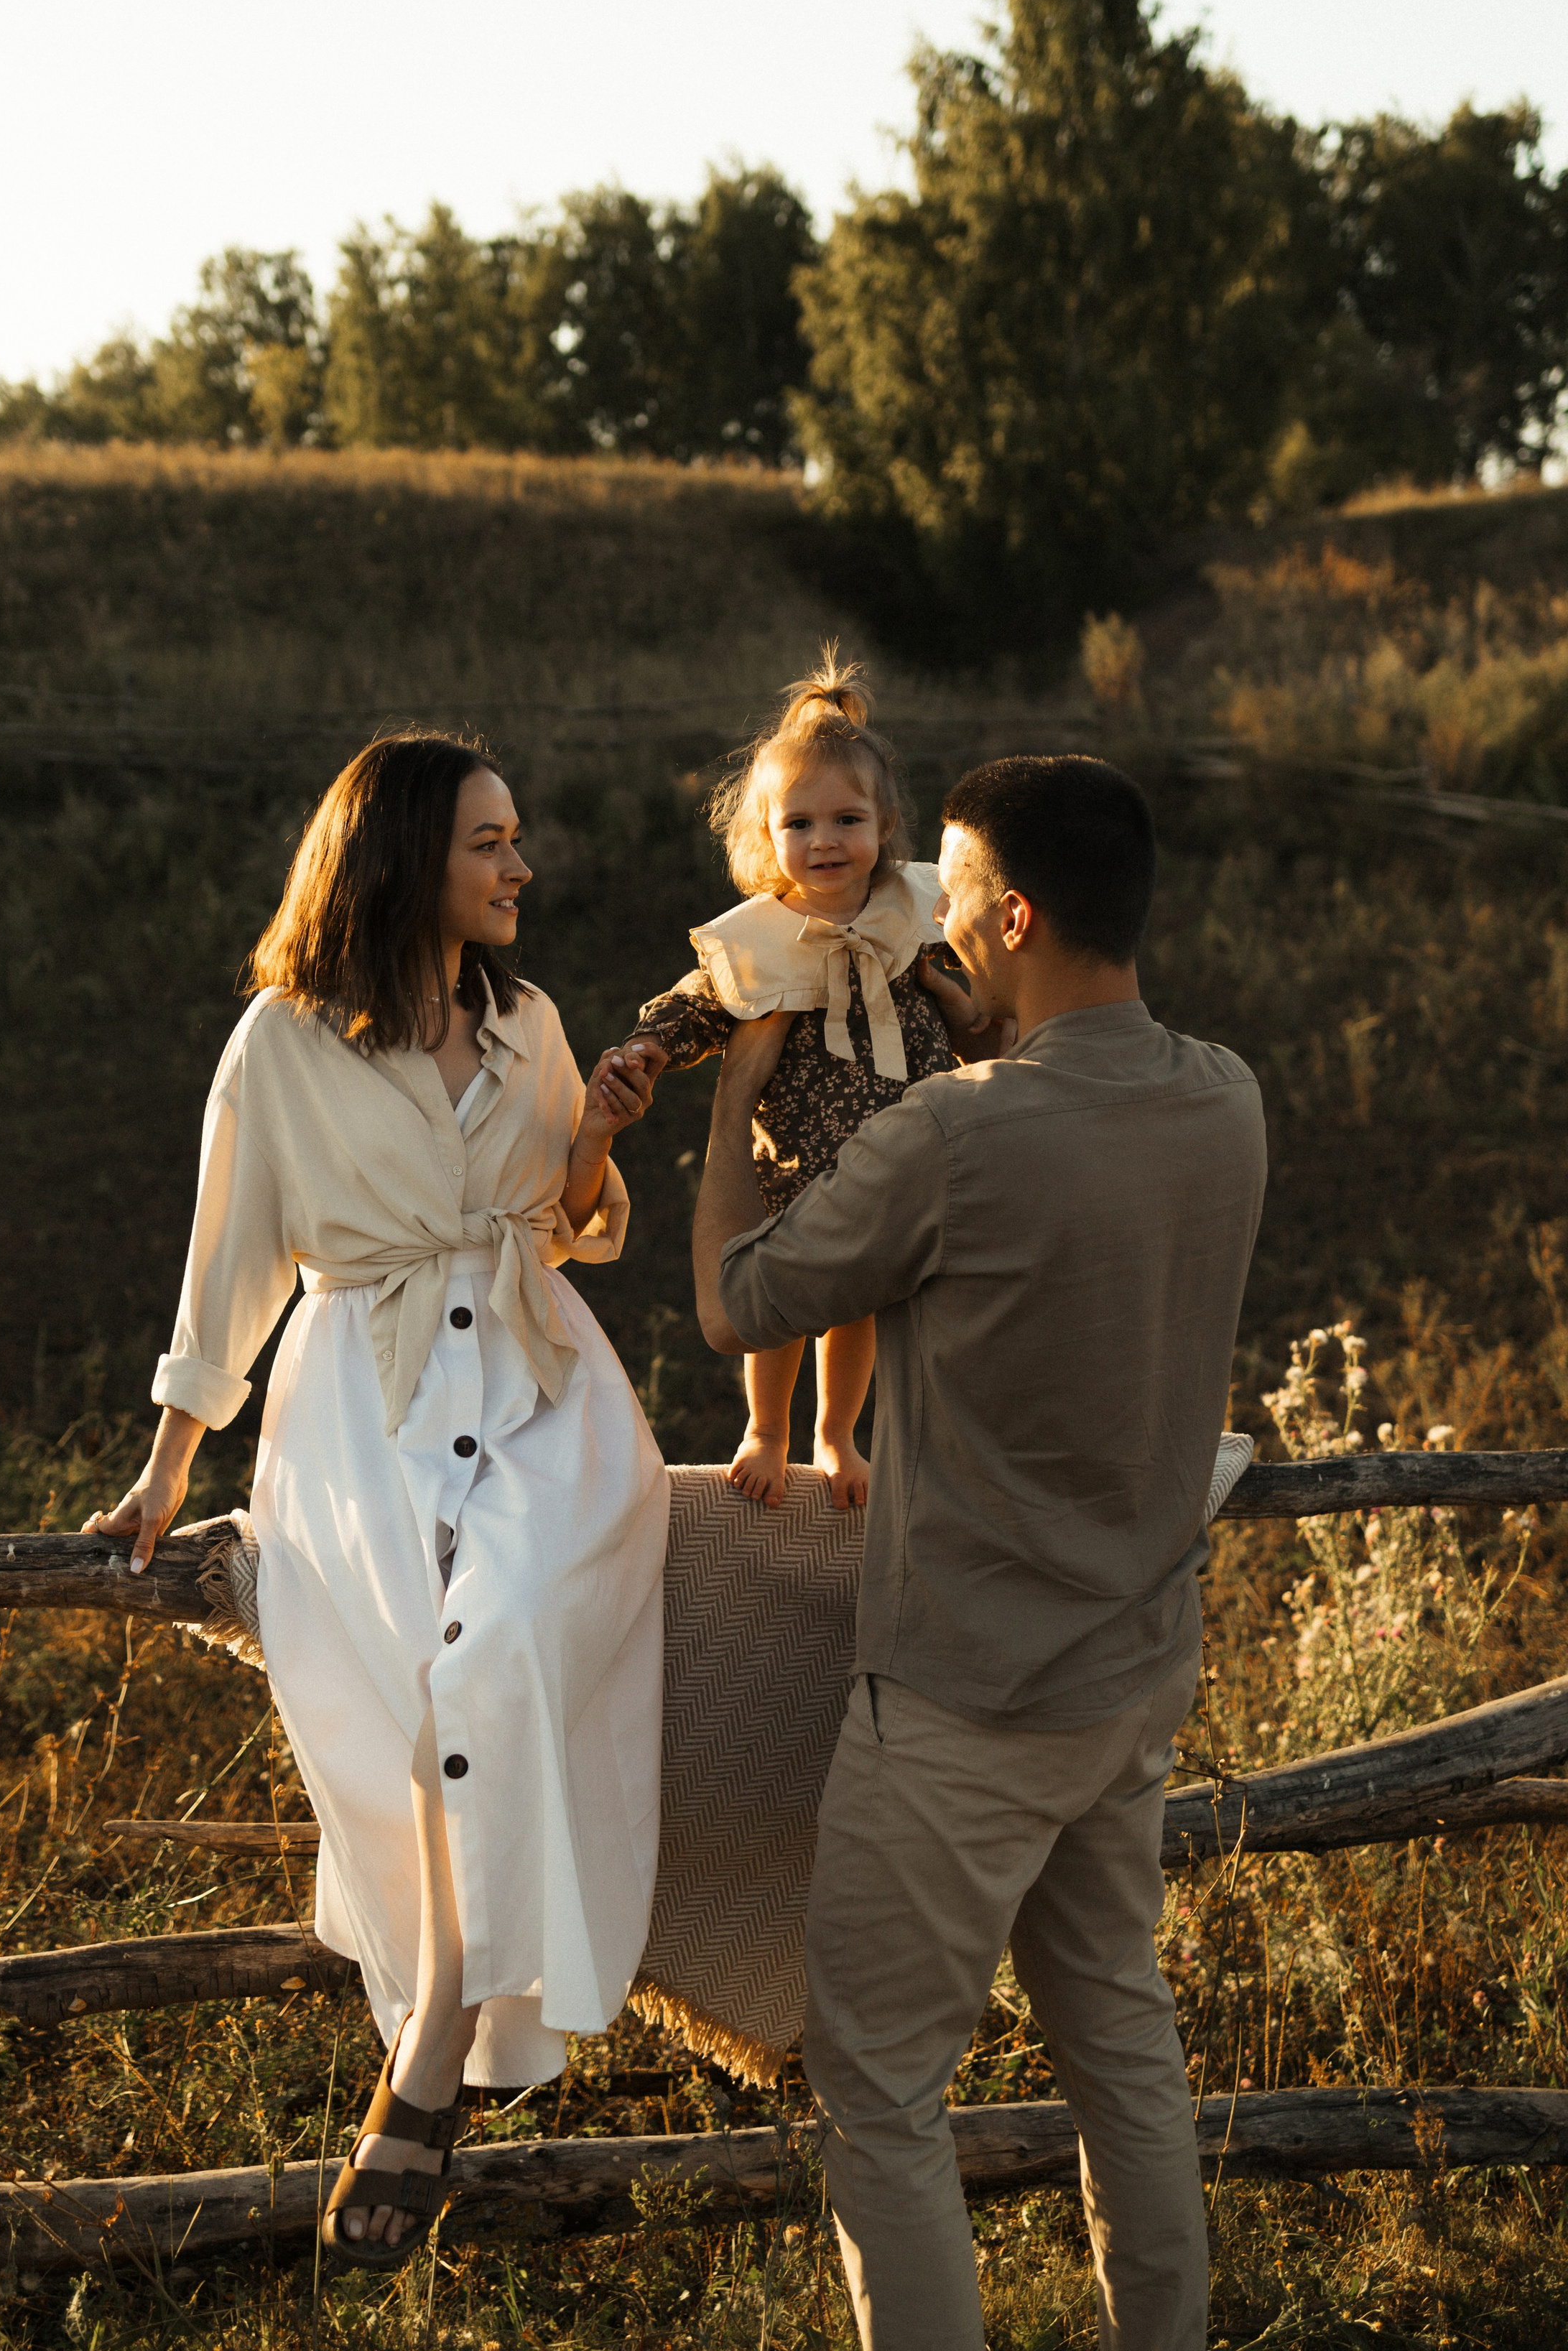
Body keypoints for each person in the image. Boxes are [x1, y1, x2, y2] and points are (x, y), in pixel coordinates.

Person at [692, 754, 1267, 2351]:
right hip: (1129, 1678)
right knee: (1122, 2057)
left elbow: (743, 1301)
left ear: (1008, 916)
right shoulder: (1224, 1095)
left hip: (956, 1699)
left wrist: (739, 1092)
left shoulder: (954, 1136)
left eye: (947, 889)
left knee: (877, 2088)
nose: (928, 917)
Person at [84, 733, 669, 2271]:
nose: (518, 866)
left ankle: (426, 2053)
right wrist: (166, 1470)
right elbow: (231, 1263)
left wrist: (596, 1139)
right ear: (407, 855)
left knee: (497, 1653)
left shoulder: (529, 1020)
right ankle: (444, 2028)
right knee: (427, 1709)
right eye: (490, 842)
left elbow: (568, 1224)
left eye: (517, 839)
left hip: (542, 1391)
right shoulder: (280, 1041)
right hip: (364, 1406)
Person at [616, 652, 993, 1510]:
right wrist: (647, 1049)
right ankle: (768, 1429)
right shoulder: (758, 939)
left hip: (903, 1158)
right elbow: (694, 1006)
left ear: (886, 821)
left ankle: (835, 1433)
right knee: (775, 1303)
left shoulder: (916, 913)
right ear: (766, 835)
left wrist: (965, 1002)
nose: (825, 841)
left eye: (847, 819)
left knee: (859, 1307)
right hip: (790, 1167)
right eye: (800, 824)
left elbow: (987, 987)